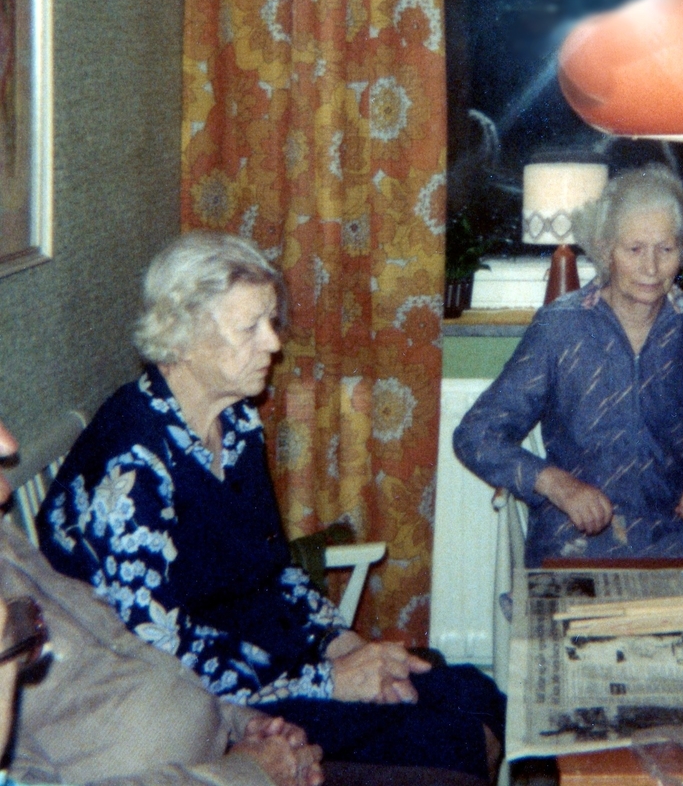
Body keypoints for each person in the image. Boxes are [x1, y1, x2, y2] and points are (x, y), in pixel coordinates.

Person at [36, 231, 504, 784]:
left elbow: (273, 569)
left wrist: (344, 643)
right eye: (250, 328)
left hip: (276, 656)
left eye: (272, 322)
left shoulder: (235, 421)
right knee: (453, 743)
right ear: (182, 335)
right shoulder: (131, 469)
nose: (274, 344)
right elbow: (159, 652)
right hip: (211, 700)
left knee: (476, 693)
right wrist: (329, 681)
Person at [453, 163, 683, 565]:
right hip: (572, 535)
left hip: (674, 532)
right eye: (635, 249)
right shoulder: (560, 328)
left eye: (666, 249)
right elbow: (476, 434)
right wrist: (557, 485)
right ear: (606, 249)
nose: (651, 268)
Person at [0, 416, 324, 786]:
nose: (10, 445)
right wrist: (251, 772)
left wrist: (240, 722)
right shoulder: (134, 458)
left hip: (222, 749)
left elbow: (119, 646)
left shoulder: (5, 541)